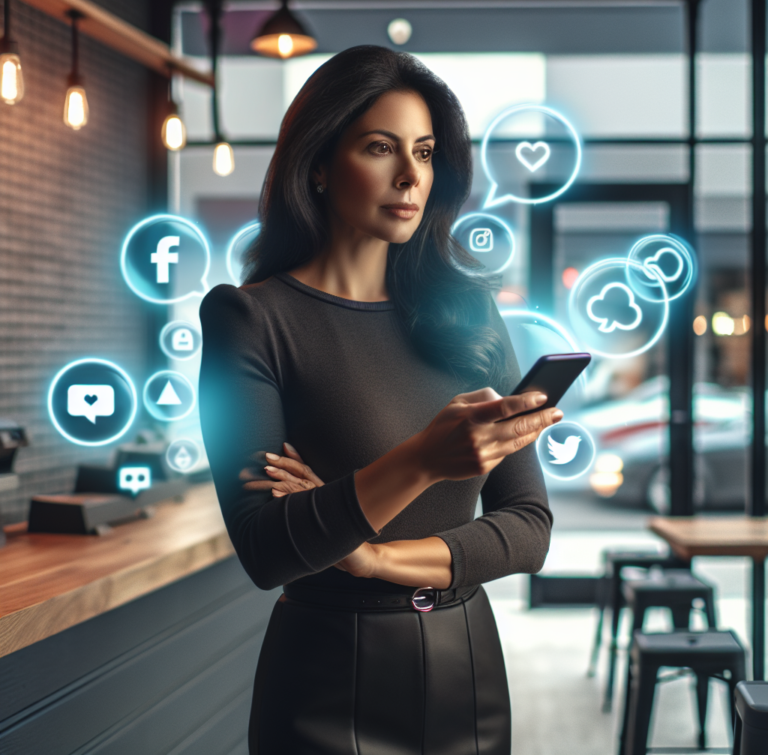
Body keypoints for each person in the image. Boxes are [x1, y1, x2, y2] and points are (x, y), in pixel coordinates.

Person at [198, 44, 559, 755]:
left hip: (469, 668)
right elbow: (267, 549)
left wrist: (374, 559)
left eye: (424, 153)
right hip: (327, 673)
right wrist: (423, 459)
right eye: (379, 148)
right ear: (320, 165)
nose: (409, 177)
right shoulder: (251, 320)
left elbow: (529, 527)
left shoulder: (473, 316)